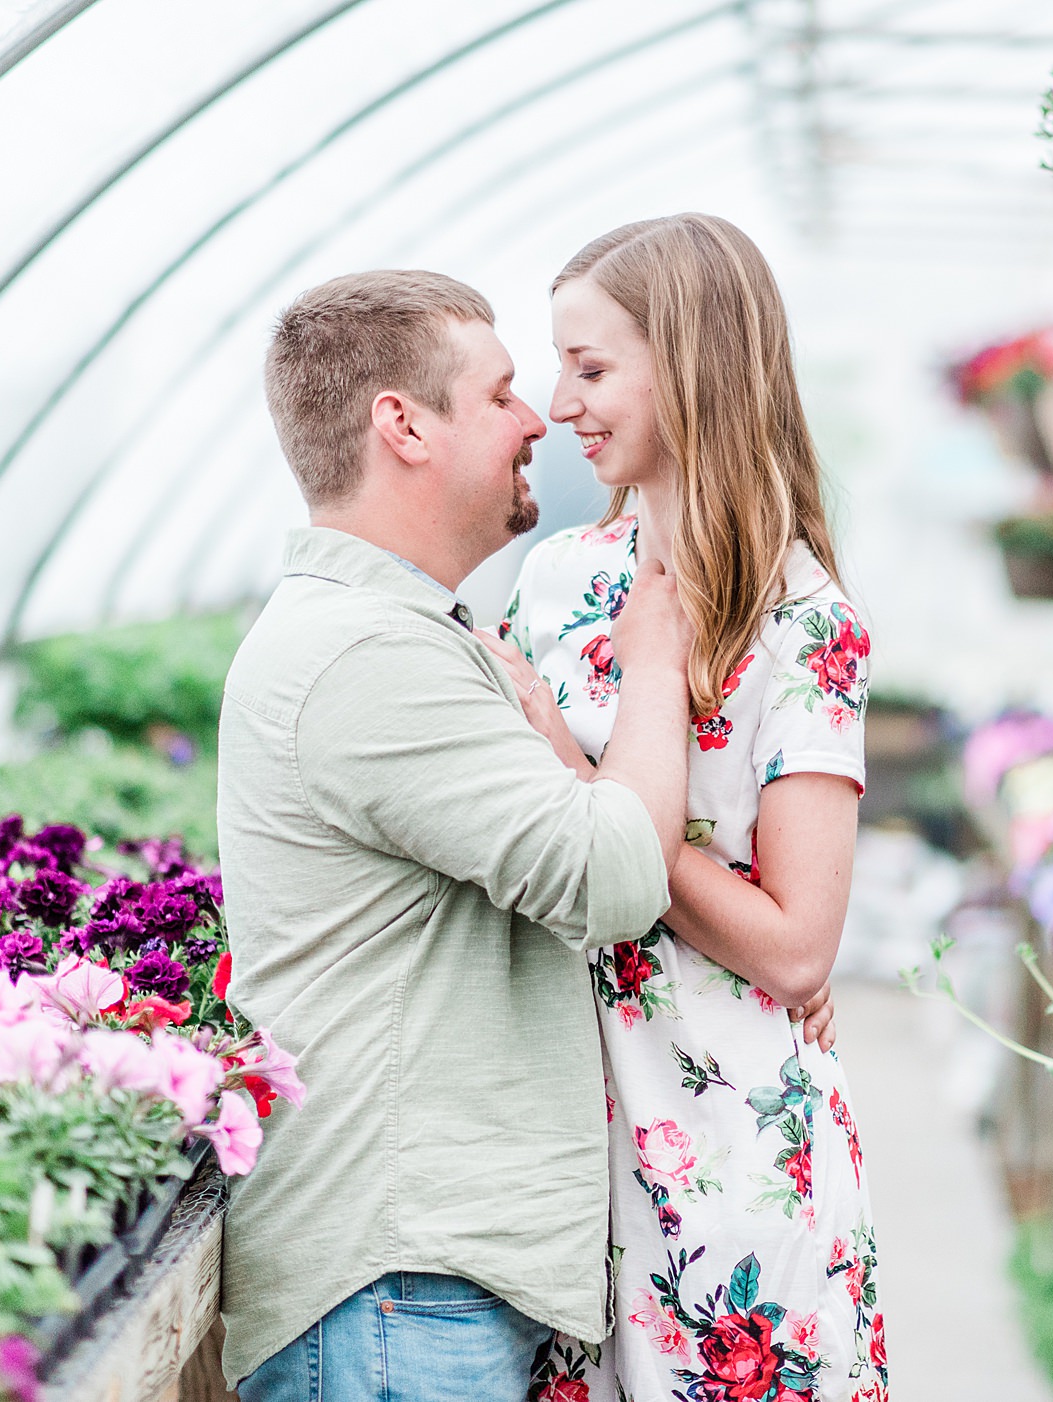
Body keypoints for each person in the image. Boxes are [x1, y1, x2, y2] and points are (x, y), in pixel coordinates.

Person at [215, 269, 695, 1400]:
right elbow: (614, 872)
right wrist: (657, 670)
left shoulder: (407, 632)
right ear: (404, 425)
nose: (541, 421)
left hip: (416, 1290)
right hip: (395, 1290)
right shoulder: (367, 655)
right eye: (502, 395)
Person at [505, 215, 888, 1402]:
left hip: (735, 1170)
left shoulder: (804, 621)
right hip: (564, 1157)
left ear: (691, 360)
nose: (560, 402)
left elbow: (796, 944)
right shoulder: (555, 580)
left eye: (592, 366)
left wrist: (593, 793)